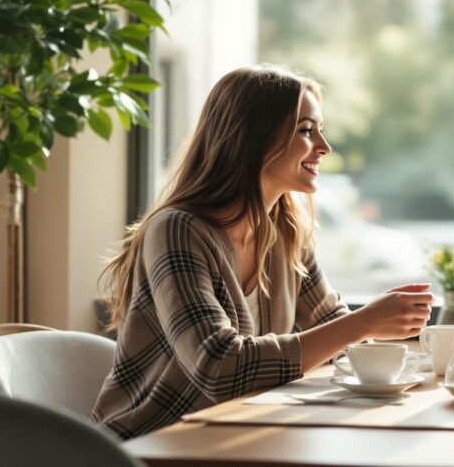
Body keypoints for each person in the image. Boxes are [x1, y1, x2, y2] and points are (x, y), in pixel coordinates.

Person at [92, 65, 434, 439]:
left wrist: (390, 330)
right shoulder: (177, 229)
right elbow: (217, 367)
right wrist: (362, 323)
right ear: (253, 137)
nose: (324, 146)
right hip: (147, 443)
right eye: (306, 130)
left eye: (320, 130)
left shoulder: (286, 231)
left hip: (237, 434)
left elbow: (330, 325)